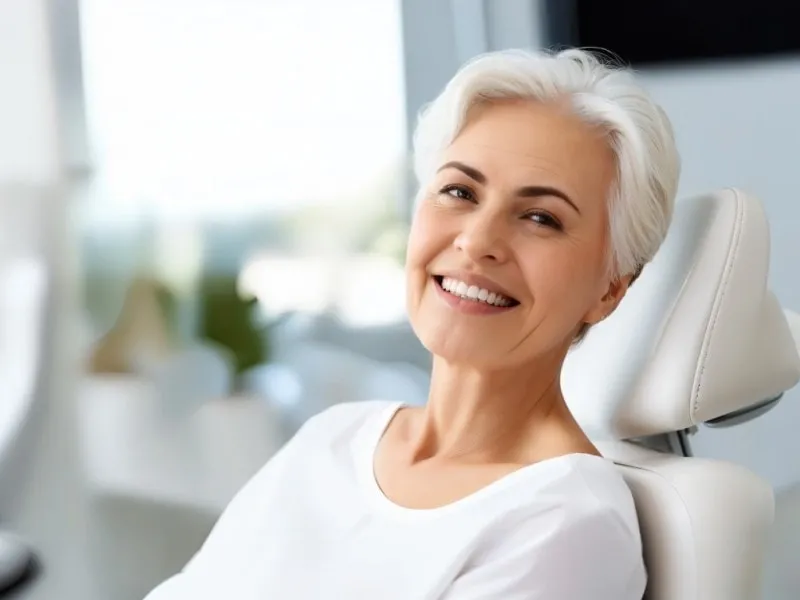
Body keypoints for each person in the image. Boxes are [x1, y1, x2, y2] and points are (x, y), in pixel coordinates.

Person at [144, 48, 680, 599]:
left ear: (611, 287)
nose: (476, 240)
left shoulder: (566, 522)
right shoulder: (335, 439)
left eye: (541, 218)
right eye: (459, 192)